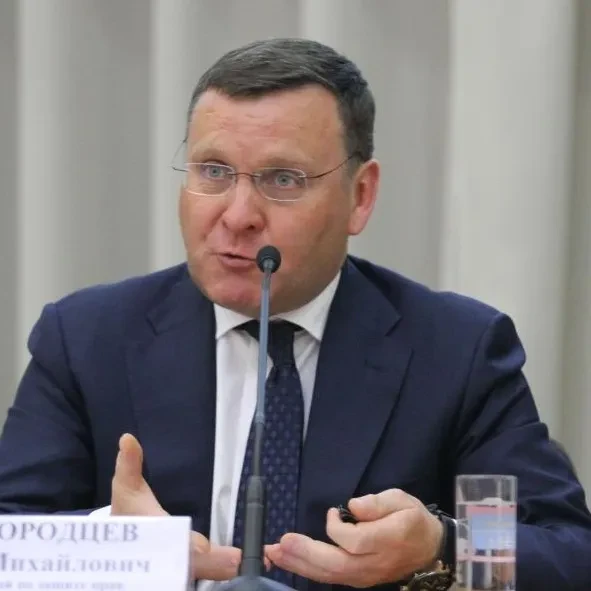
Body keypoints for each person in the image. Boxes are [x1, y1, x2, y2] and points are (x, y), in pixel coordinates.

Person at [0, 37, 590, 591]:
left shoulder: (455, 351)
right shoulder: (87, 339)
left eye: (283, 179)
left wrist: (442, 545)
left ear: (360, 196)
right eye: (213, 171)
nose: (238, 215)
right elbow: (10, 537)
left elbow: (566, 551)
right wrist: (117, 545)